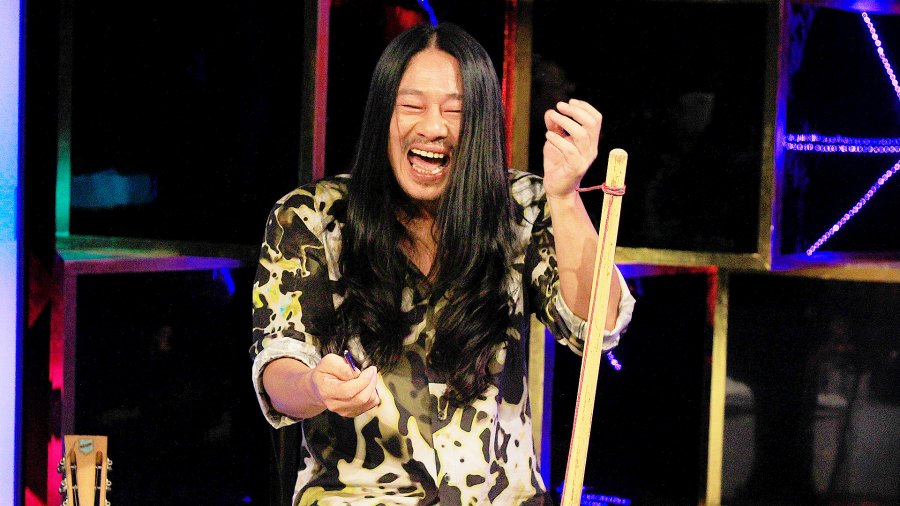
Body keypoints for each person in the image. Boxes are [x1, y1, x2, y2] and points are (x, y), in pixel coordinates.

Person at [250, 23, 635, 505]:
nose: (433, 127)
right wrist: (315, 385)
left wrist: (565, 196)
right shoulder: (311, 216)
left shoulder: (521, 206)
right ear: (382, 114)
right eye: (412, 106)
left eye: (455, 111)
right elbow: (278, 367)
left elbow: (596, 327)